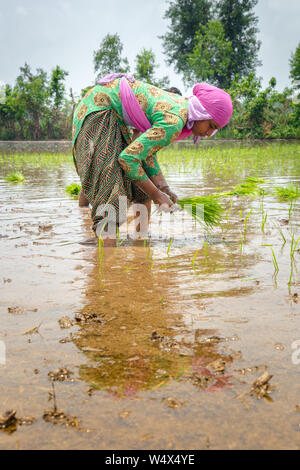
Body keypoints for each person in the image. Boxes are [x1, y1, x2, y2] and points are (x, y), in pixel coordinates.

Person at [72, 74, 233, 242]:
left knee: (141, 190)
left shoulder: (179, 110)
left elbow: (146, 153)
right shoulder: (175, 121)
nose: (208, 133)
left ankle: (140, 245)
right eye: (211, 126)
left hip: (112, 114)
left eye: (214, 130)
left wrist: (164, 188)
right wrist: (157, 195)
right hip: (98, 110)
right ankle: (106, 263)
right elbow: (128, 159)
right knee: (111, 197)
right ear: (201, 112)